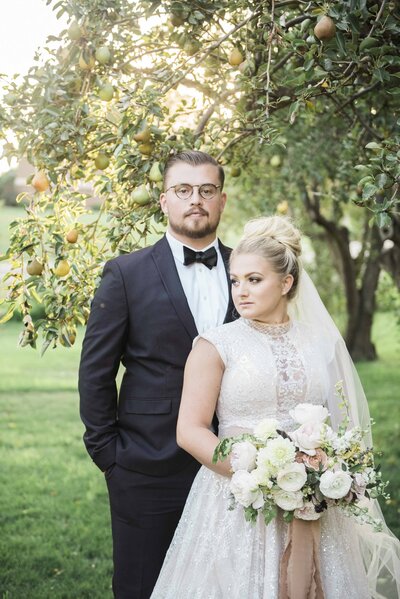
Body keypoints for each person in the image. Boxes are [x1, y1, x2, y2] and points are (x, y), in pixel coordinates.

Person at [150, 216, 400, 599]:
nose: (241, 291)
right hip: (237, 499)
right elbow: (190, 430)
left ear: (286, 283)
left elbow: (339, 422)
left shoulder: (322, 343)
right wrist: (255, 477)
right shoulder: (215, 344)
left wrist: (325, 470)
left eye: (254, 279)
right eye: (235, 280)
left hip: (314, 504)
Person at [79, 150, 235, 599]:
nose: (196, 200)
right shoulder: (126, 273)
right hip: (145, 465)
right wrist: (109, 455)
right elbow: (95, 372)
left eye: (207, 190)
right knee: (143, 586)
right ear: (164, 201)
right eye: (183, 190)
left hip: (237, 462)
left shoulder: (250, 271)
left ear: (222, 201)